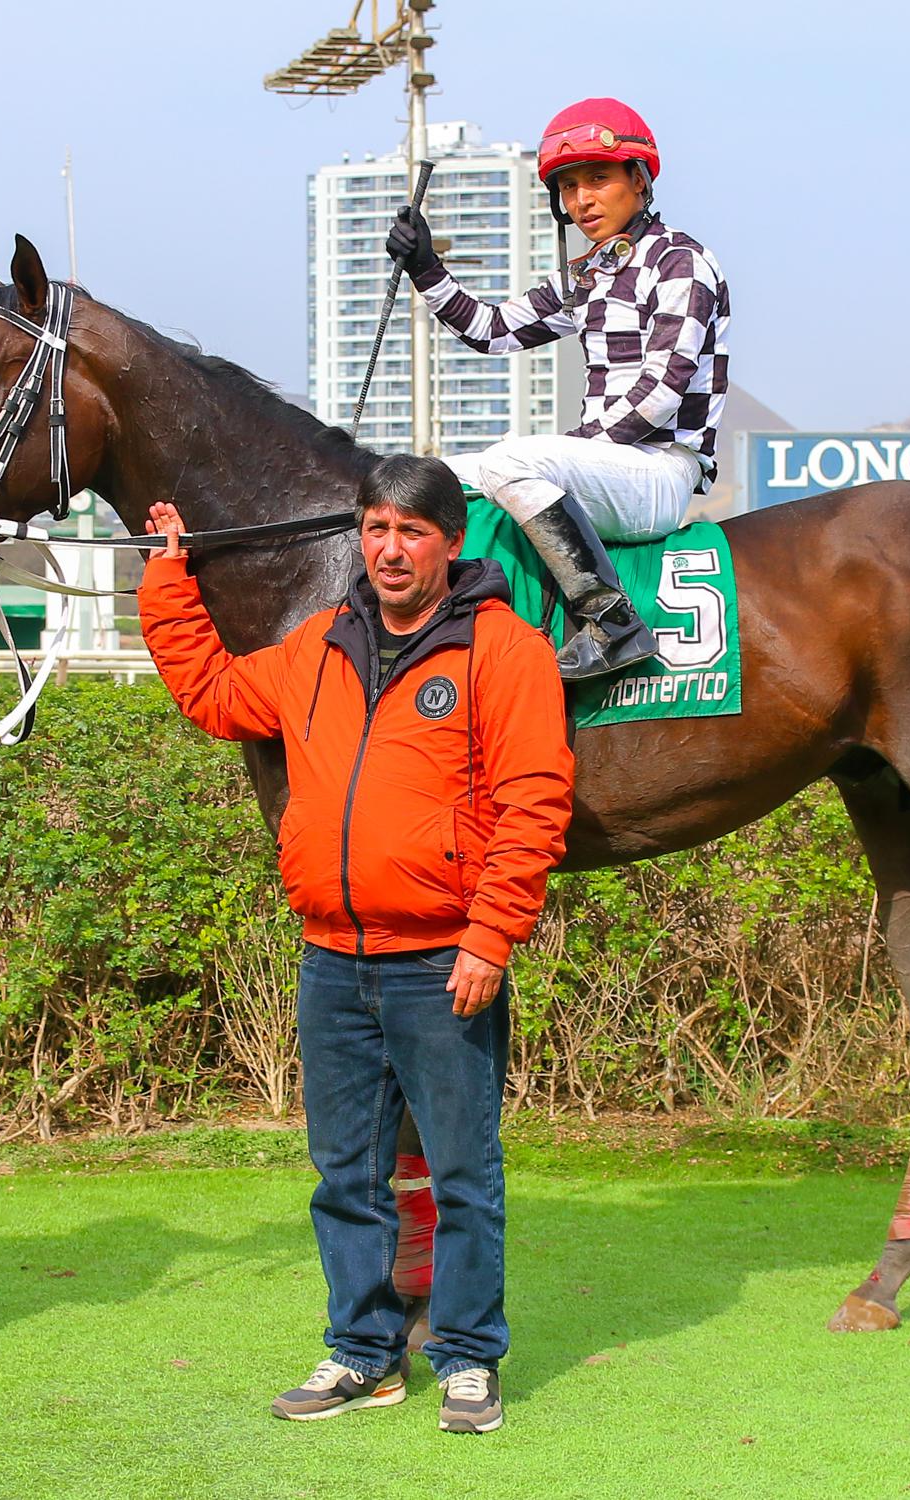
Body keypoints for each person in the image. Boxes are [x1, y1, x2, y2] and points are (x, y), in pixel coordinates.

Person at [138, 455, 573, 1436]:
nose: (389, 549)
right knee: (345, 1175)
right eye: (376, 528)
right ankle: (364, 1354)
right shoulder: (315, 647)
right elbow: (211, 694)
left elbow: (534, 806)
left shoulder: (505, 653)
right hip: (332, 957)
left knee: (463, 1173)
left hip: (441, 962)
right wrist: (169, 581)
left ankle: (466, 1356)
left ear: (450, 545)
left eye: (411, 532)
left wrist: (492, 936)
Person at [386, 96, 731, 680]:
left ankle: (613, 623)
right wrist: (426, 268)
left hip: (659, 471)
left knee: (514, 459)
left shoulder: (680, 262)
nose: (582, 200)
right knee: (425, 482)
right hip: (604, 466)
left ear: (640, 180)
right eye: (569, 188)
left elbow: (661, 394)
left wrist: (577, 449)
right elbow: (491, 330)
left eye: (598, 180)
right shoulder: (587, 277)